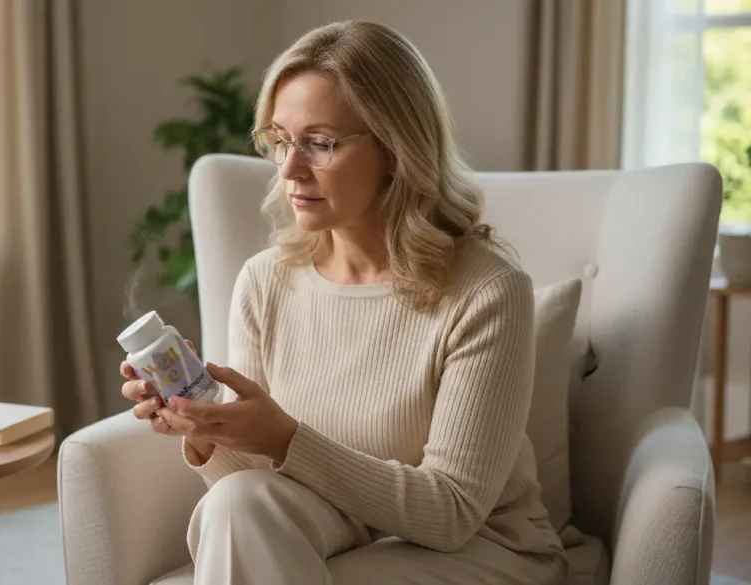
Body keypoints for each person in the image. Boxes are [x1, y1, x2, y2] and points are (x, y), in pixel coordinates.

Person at [120, 19, 568, 585]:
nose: (289, 169)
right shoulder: (265, 283)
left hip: (479, 547)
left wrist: (284, 437)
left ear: (397, 148)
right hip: (336, 531)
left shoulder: (487, 290)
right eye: (280, 140)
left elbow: (453, 512)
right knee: (237, 505)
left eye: (320, 143)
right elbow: (257, 480)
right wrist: (205, 428)